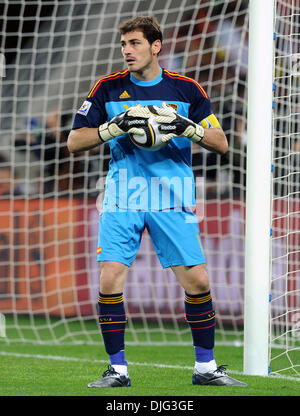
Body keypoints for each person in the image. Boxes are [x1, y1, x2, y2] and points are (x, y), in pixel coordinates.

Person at [67, 15, 247, 388]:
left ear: (156, 46)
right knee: (110, 277)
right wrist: (112, 127)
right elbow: (74, 141)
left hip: (172, 196)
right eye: (123, 45)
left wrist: (186, 127)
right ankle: (117, 370)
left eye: (134, 43)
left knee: (197, 282)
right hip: (123, 195)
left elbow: (221, 143)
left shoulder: (186, 90)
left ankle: (205, 368)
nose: (127, 51)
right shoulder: (107, 88)